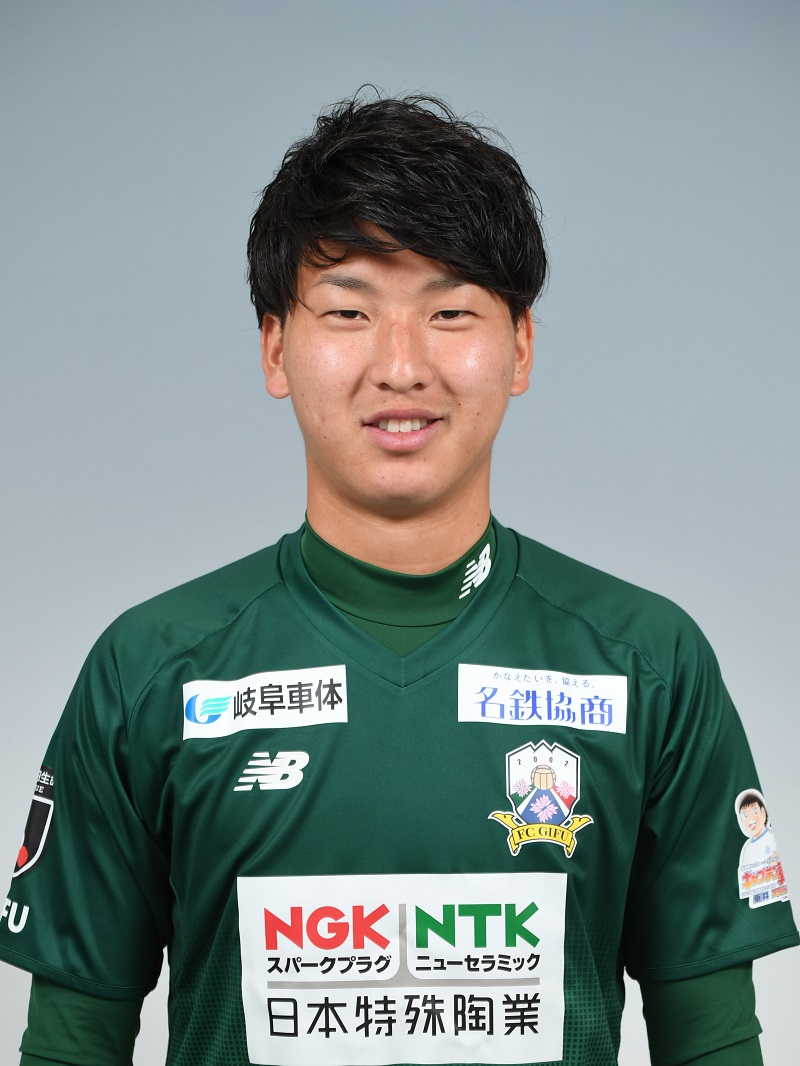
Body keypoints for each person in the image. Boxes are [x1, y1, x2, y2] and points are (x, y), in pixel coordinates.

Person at [1, 92, 797, 1066]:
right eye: (348, 311)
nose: (401, 365)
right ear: (274, 348)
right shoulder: (153, 669)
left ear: (520, 348)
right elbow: (69, 1046)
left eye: (450, 312)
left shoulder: (645, 663)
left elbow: (713, 1044)